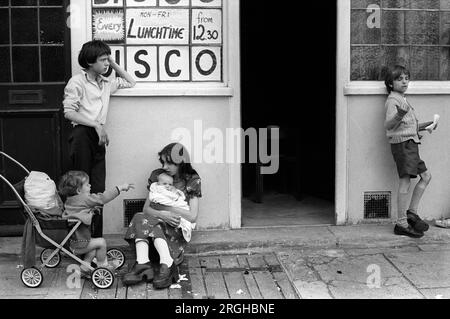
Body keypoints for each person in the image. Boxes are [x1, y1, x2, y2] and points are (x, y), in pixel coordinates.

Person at [63, 40, 136, 237]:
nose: (106, 63)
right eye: (102, 60)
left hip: (98, 139)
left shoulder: (106, 84)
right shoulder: (76, 82)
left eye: (107, 60)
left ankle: (96, 240)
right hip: (82, 136)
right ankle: (78, 241)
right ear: (89, 62)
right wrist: (96, 124)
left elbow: (131, 81)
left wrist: (112, 63)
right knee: (80, 189)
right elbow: (69, 112)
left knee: (98, 188)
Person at [123, 143, 201, 289]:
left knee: (154, 223)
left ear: (181, 162)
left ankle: (167, 262)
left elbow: (192, 216)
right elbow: (146, 208)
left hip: (175, 228)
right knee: (140, 216)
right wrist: (162, 214)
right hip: (156, 224)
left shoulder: (192, 179)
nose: (165, 166)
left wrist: (166, 209)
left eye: (169, 163)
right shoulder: (157, 176)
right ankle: (143, 264)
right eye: (163, 162)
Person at [384, 65, 437, 238]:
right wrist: (400, 114)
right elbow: (389, 125)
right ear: (391, 84)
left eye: (406, 78)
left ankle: (411, 214)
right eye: (399, 79)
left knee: (426, 176)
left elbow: (408, 126)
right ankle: (401, 223)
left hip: (411, 143)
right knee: (405, 181)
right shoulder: (393, 100)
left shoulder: (403, 99)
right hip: (403, 145)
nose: (404, 81)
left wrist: (426, 125)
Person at [58, 170, 134, 276]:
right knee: (101, 242)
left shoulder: (71, 200)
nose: (90, 185)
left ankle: (84, 268)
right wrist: (119, 188)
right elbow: (103, 198)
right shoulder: (84, 199)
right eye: (87, 184)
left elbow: (81, 209)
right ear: (79, 190)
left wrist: (92, 209)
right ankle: (103, 267)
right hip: (78, 244)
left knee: (93, 248)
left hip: (73, 241)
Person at [148, 172, 196, 242]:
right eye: (164, 184)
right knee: (139, 218)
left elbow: (179, 200)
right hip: (160, 216)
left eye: (170, 184)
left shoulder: (192, 180)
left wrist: (175, 194)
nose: (167, 186)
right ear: (158, 184)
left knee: (155, 228)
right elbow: (148, 207)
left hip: (174, 218)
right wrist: (161, 213)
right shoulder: (156, 188)